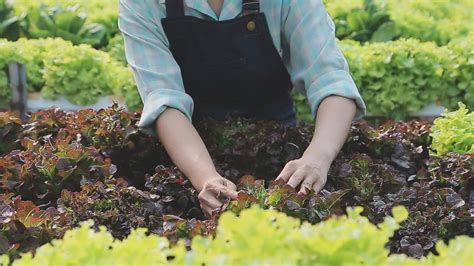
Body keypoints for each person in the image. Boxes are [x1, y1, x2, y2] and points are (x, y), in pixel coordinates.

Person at [118, 0, 366, 217]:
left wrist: (317, 158)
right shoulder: (141, 3)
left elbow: (330, 80)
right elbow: (165, 101)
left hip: (280, 156)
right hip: (188, 153)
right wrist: (206, 178)